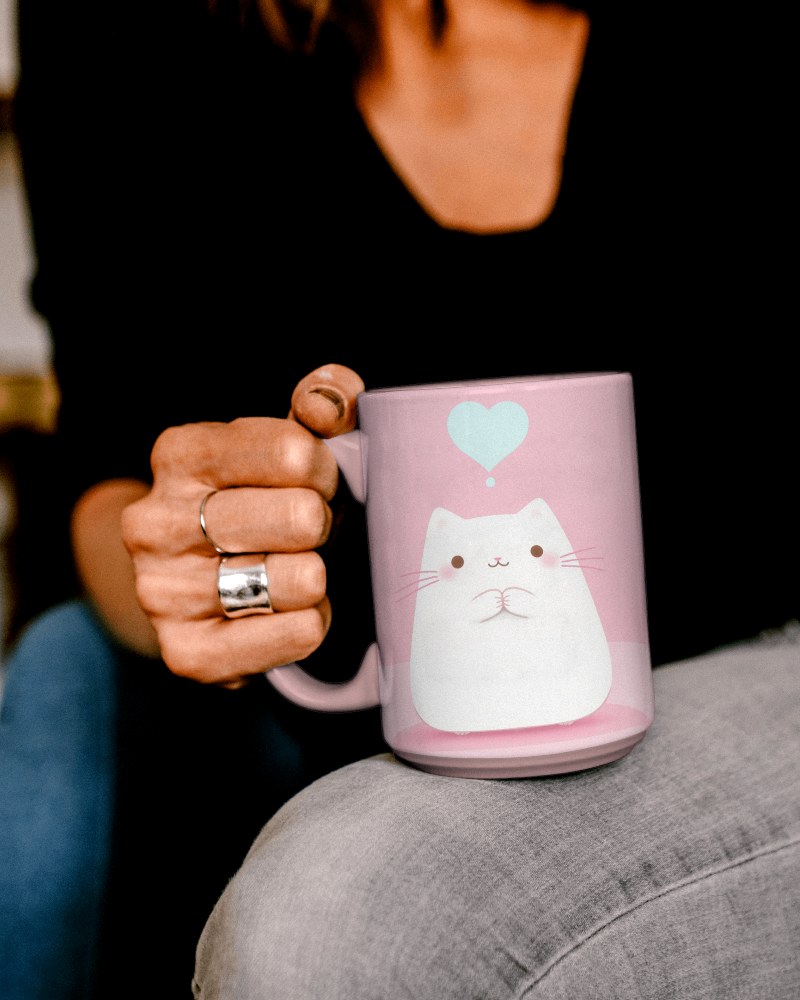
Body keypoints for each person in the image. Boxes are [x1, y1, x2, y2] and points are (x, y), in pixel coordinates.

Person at [2, 0, 794, 997]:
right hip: (325, 717)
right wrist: (205, 579)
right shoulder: (144, 31)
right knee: (73, 685)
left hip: (749, 678)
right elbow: (113, 455)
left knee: (339, 900)